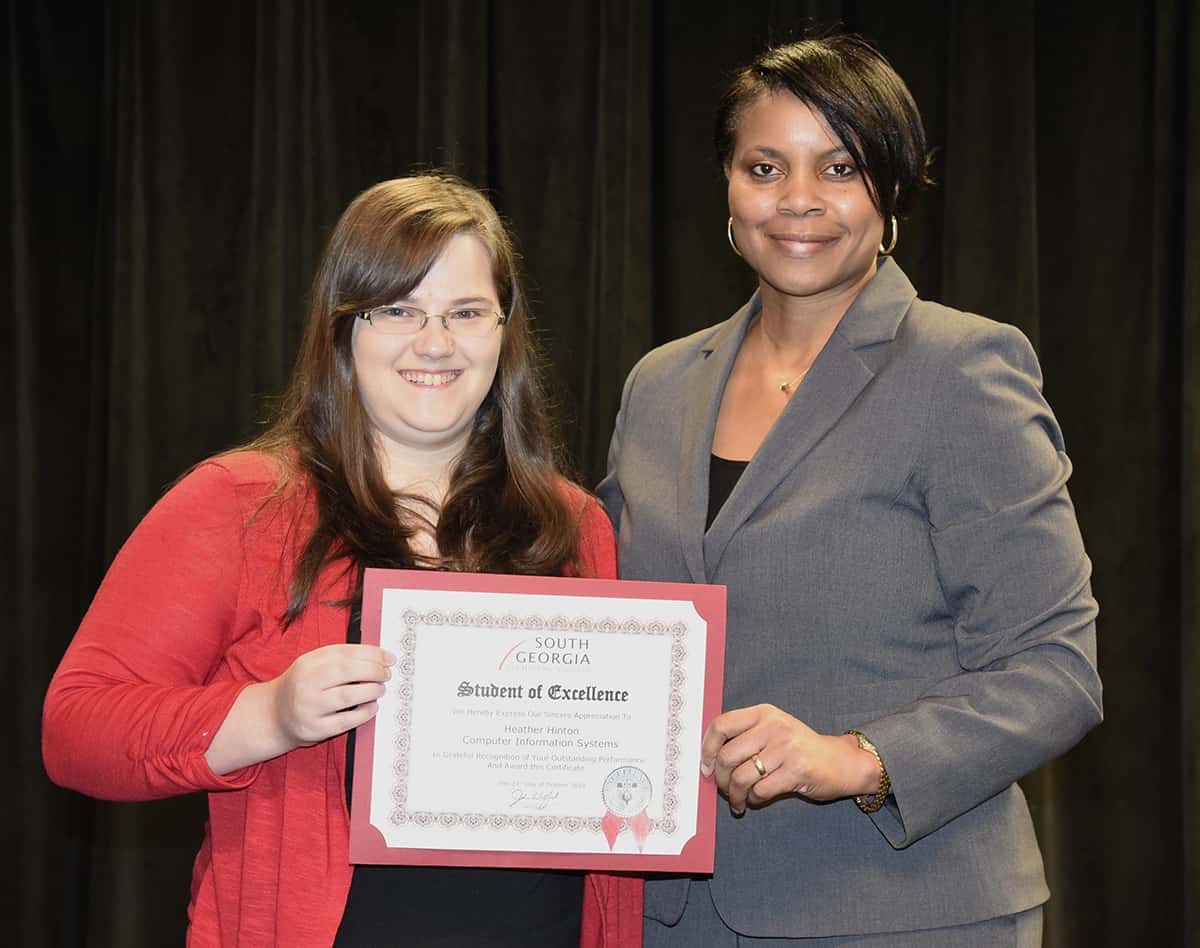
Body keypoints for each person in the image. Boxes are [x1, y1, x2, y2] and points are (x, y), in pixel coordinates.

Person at [44, 174, 642, 947]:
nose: (436, 342)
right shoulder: (239, 504)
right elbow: (77, 728)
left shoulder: (575, 525)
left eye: (466, 312)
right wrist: (268, 714)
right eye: (398, 310)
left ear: (504, 330)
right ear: (343, 328)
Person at [597, 36, 1101, 947]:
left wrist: (856, 758)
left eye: (839, 167)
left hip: (903, 908)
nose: (798, 199)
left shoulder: (964, 369)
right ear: (727, 185)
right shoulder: (660, 383)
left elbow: (1056, 670)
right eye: (764, 166)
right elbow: (594, 605)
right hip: (675, 913)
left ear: (892, 189)